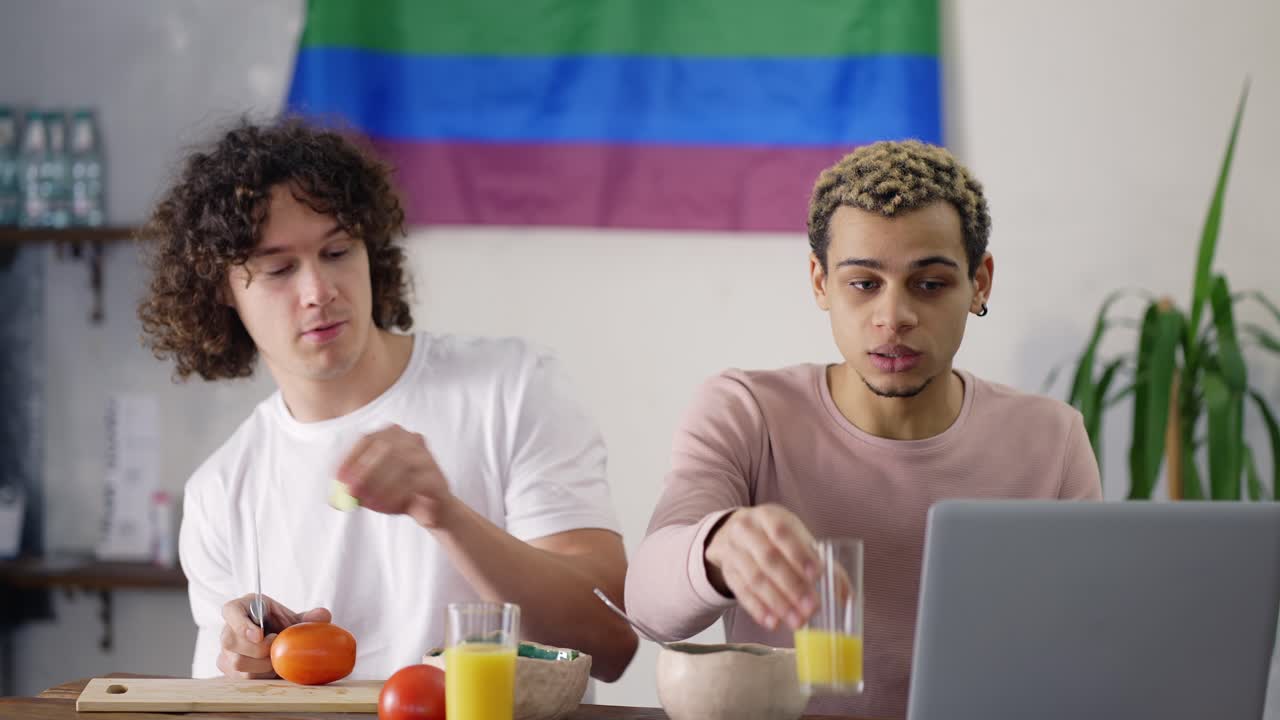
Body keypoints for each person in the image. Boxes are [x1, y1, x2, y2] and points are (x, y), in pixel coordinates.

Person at [138, 119, 637, 682]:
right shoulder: (221, 491)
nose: (319, 291)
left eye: (337, 251)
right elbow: (223, 697)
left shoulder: (512, 386)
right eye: (279, 268)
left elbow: (611, 643)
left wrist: (446, 515)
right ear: (221, 290)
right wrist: (248, 669)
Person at [624, 140, 1102, 717]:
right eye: (864, 283)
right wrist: (718, 547)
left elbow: (1089, 643)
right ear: (820, 281)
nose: (893, 317)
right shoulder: (747, 412)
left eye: (930, 284)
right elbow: (648, 608)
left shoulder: (1052, 439)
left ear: (980, 282)